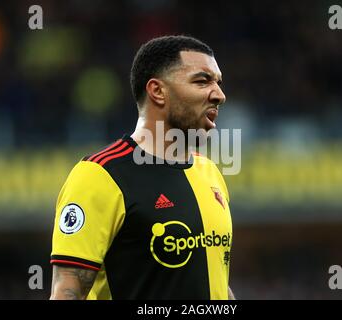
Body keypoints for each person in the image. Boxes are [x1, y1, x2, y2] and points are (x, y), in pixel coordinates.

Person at [50, 35, 235, 300]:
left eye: (218, 82)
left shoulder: (210, 172)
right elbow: (67, 291)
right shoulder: (100, 175)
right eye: (202, 80)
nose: (219, 95)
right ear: (157, 91)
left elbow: (216, 282)